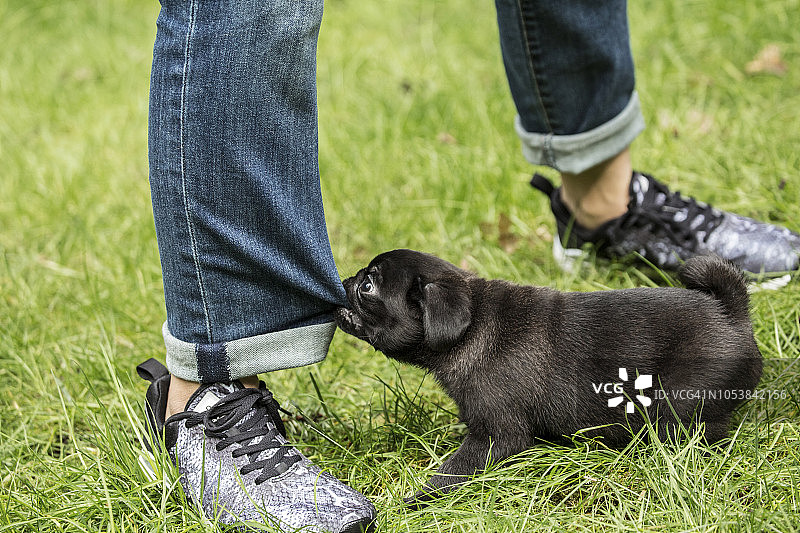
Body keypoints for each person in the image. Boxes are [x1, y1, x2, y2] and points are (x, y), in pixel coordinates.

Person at [139, 1, 799, 532]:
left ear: (439, 314)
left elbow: (497, 437)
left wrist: (432, 496)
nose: (350, 294)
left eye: (369, 289)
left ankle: (602, 196)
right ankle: (212, 382)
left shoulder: (486, 361)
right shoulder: (487, 334)